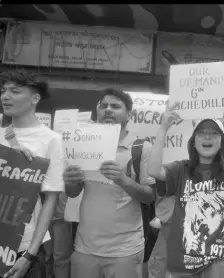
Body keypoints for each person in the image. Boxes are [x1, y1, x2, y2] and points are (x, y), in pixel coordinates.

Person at [147, 102, 224, 278]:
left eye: (214, 133)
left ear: (222, 142)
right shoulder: (180, 169)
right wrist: (162, 129)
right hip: (184, 260)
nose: (207, 137)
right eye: (202, 133)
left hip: (221, 260)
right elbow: (153, 170)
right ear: (193, 141)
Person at [62, 89, 155, 278]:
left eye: (115, 106)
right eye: (103, 106)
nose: (108, 110)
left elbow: (150, 197)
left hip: (125, 250)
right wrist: (70, 181)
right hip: (84, 247)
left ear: (129, 114)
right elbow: (73, 193)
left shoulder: (141, 148)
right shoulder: (82, 144)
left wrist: (123, 180)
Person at [0, 70, 65, 278]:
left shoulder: (51, 140)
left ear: (35, 98)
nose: (5, 96)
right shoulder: (1, 134)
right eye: (3, 91)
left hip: (21, 244)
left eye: (15, 91)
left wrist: (30, 254)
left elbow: (50, 199)